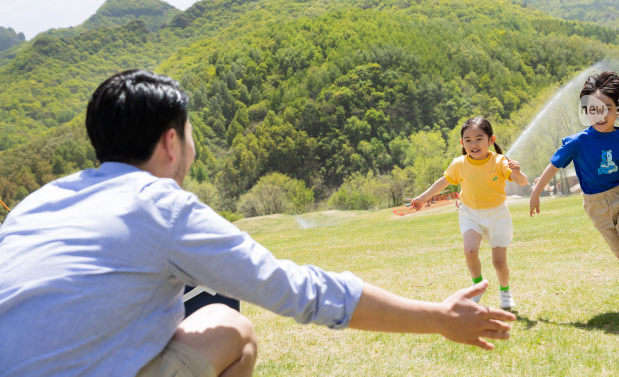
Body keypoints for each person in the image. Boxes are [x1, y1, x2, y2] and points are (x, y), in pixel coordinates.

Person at [0, 70, 515, 377]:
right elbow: (298, 290)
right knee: (231, 326)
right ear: (171, 143)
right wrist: (438, 318)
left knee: (212, 299)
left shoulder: (39, 202)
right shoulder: (160, 205)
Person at [528, 70, 619, 319]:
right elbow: (553, 166)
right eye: (594, 109)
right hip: (596, 206)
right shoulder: (577, 142)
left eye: (607, 107)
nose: (600, 114)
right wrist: (536, 193)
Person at [410, 116, 529, 311]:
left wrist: (517, 171)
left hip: (497, 214)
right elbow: (443, 182)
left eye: (479, 138)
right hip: (470, 213)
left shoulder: (500, 161)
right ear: (462, 143)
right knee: (470, 251)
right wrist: (423, 198)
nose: (473, 144)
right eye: (468, 140)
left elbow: (522, 182)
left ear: (491, 140)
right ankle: (477, 286)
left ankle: (505, 291)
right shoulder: (459, 164)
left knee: (499, 262)